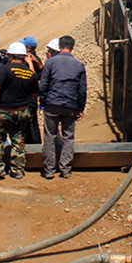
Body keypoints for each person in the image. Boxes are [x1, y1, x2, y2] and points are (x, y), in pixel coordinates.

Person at [0, 42, 39, 180]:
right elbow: (34, 94)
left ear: (10, 56)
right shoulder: (30, 73)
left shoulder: (5, 70)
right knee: (18, 140)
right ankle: (17, 170)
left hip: (4, 111)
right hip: (22, 111)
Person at [39, 35, 86, 179]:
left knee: (49, 136)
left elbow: (44, 84)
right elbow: (82, 89)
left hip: (52, 104)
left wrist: (43, 102)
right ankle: (65, 169)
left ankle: (49, 170)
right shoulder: (79, 65)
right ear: (73, 47)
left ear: (59, 47)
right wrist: (80, 108)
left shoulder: (50, 62)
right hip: (70, 105)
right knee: (68, 137)